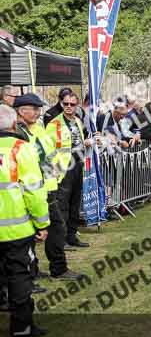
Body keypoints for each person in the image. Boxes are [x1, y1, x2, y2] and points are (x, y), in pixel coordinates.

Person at [0, 104, 50, 337]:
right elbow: (34, 192)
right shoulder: (22, 149)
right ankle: (21, 327)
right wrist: (42, 224)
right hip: (16, 230)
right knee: (19, 276)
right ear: (13, 124)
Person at [45, 91, 95, 250]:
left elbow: (79, 141)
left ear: (77, 105)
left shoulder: (78, 121)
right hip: (63, 169)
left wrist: (86, 143)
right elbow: (48, 149)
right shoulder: (54, 124)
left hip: (78, 165)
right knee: (62, 205)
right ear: (61, 104)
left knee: (75, 203)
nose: (68, 107)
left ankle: (72, 236)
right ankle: (62, 239)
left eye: (72, 104)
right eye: (65, 104)